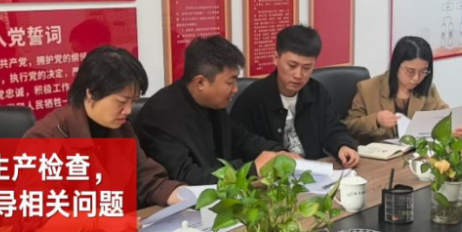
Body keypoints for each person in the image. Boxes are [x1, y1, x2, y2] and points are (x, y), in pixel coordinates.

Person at [24, 45, 185, 209]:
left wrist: (187, 195)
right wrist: (104, 221)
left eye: (133, 101)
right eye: (121, 102)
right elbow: (39, 213)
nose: (128, 110)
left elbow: (147, 181)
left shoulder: (122, 129)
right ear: (92, 92)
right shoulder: (45, 139)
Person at [135, 35, 284, 185]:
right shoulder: (159, 116)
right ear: (200, 82)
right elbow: (185, 177)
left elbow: (242, 139)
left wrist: (279, 153)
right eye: (229, 82)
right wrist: (250, 170)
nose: (235, 89)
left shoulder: (213, 102)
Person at [231, 25, 359, 167]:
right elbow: (242, 143)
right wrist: (278, 154)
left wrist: (343, 145)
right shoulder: (253, 99)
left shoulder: (316, 91)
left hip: (313, 170)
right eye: (292, 66)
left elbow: (332, 127)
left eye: (307, 68)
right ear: (276, 58)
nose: (298, 75)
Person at [345, 36, 460, 143]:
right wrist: (376, 120)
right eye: (410, 71)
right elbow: (349, 126)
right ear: (396, 65)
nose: (416, 78)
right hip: (379, 155)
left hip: (416, 154)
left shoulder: (428, 90)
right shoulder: (367, 89)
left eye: (423, 71)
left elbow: (447, 114)